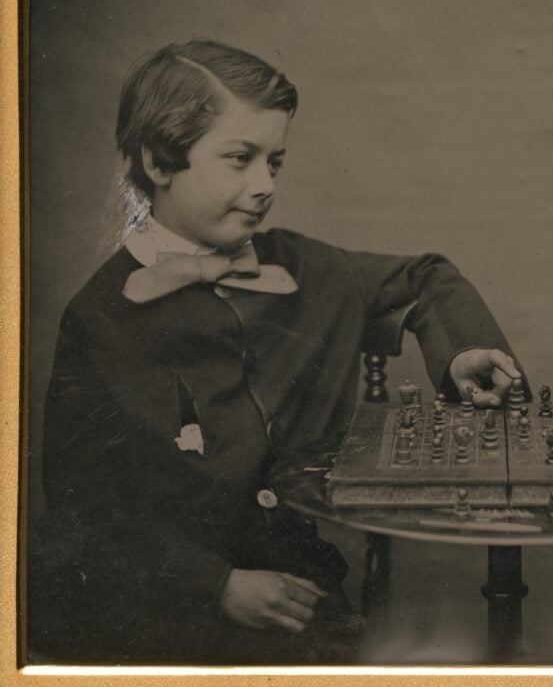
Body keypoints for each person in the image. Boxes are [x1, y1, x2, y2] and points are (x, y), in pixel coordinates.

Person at [29, 40, 522, 664]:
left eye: (275, 163)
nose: (264, 186)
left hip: (303, 594)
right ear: (157, 161)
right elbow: (82, 514)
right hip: (164, 616)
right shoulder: (102, 319)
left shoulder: (302, 266)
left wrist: (461, 355)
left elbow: (426, 275)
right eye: (240, 159)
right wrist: (217, 586)